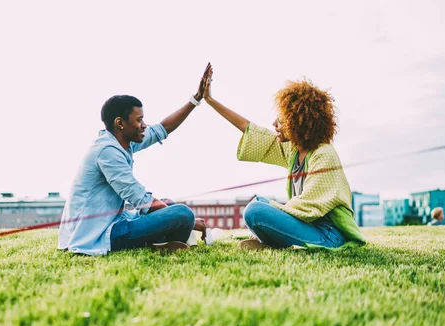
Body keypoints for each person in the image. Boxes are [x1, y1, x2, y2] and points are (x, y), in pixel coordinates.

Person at [202, 67, 365, 250]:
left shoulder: (324, 154)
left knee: (255, 210)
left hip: (328, 235)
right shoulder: (294, 150)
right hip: (309, 227)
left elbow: (308, 207)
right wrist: (210, 100)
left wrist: (271, 212)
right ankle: (272, 242)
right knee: (259, 204)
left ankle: (271, 242)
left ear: (298, 120)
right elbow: (250, 129)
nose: (274, 124)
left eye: (281, 119)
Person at [58, 64, 211, 255]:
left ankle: (165, 239)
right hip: (97, 234)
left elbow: (161, 129)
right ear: (120, 123)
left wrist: (196, 99)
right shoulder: (107, 151)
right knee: (182, 214)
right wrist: (191, 222)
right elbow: (138, 197)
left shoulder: (122, 141)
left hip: (117, 220)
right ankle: (167, 238)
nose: (144, 125)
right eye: (139, 120)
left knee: (169, 204)